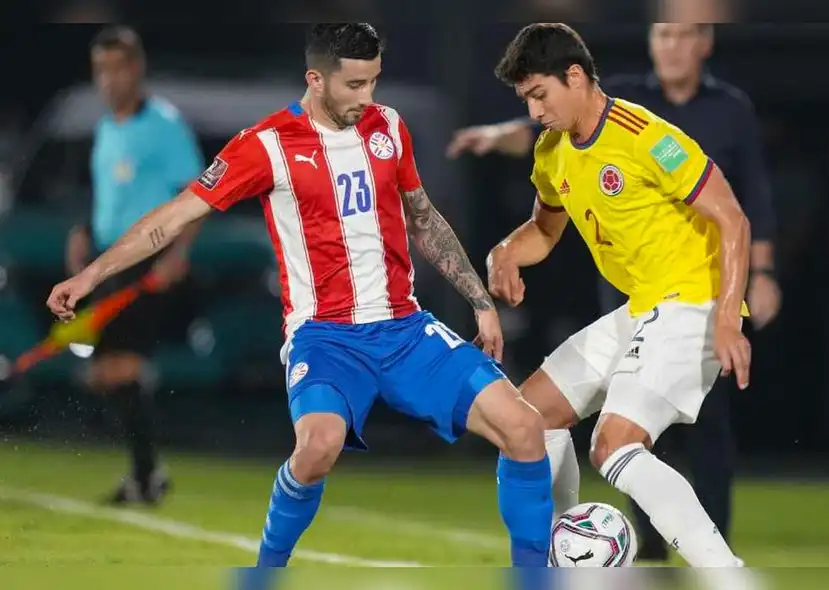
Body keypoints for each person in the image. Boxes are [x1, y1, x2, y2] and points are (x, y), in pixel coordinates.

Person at [48, 23, 553, 569]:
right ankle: (265, 573)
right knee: (315, 450)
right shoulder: (265, 145)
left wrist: (479, 300)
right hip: (326, 338)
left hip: (405, 330)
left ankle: (531, 578)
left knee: (524, 428)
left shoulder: (389, 128)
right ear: (316, 79)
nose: (368, 99)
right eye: (355, 85)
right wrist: (90, 277)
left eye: (374, 82)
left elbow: (424, 219)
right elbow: (170, 219)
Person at [449, 22, 779, 560]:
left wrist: (726, 318)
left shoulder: (644, 134)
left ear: (574, 76)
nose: (534, 112)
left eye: (539, 95)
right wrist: (503, 252)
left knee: (614, 444)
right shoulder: (554, 151)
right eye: (525, 99)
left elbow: (733, 219)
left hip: (691, 300)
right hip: (643, 305)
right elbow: (545, 230)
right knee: (528, 417)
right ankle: (567, 559)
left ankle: (727, 573)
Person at [66, 25, 204, 505]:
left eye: (115, 69)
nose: (106, 80)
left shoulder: (163, 126)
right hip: (109, 263)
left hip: (147, 261)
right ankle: (149, 471)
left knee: (121, 367)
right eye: (99, 70)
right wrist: (84, 231)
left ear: (136, 68)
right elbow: (109, 196)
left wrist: (178, 254)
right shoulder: (108, 128)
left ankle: (146, 478)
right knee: (103, 373)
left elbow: (196, 195)